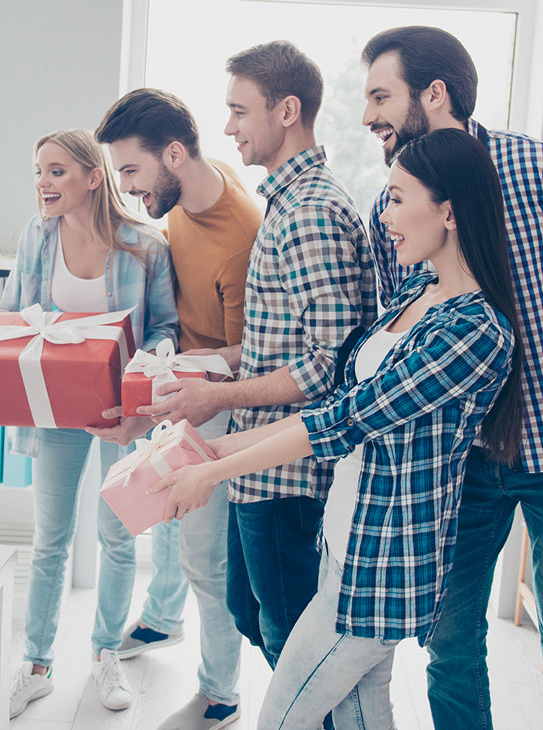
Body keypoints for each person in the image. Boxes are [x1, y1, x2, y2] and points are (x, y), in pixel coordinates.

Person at [153, 127, 522, 729]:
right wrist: (214, 446)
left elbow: (345, 420)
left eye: (399, 198)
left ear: (449, 211)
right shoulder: (417, 289)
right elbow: (342, 402)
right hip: (343, 539)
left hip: (382, 568)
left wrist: (215, 469)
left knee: (280, 717)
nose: (386, 214)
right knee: (361, 716)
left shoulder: (475, 331)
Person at [137, 41, 376, 675]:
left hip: (288, 477)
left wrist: (216, 397)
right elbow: (277, 343)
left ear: (287, 111)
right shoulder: (284, 204)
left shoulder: (311, 214)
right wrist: (196, 378)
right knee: (250, 613)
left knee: (291, 646)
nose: (228, 128)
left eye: (240, 111)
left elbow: (328, 366)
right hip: (253, 465)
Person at [360, 26, 543, 729]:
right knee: (451, 644)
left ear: (433, 94)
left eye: (382, 95)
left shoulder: (529, 167)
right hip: (463, 464)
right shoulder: (389, 210)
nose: (369, 115)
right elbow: (397, 329)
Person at [91, 88, 261, 730]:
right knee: (148, 514)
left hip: (215, 404)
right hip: (177, 390)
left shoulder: (242, 233)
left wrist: (176, 402)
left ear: (173, 154)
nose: (129, 188)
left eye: (131, 172)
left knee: (203, 557)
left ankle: (221, 694)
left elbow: (250, 354)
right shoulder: (184, 199)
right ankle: (162, 621)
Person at [1, 129, 179, 718]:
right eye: (38, 171)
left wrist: (136, 382)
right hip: (54, 407)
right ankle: (36, 665)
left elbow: (165, 330)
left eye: (56, 171)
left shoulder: (145, 246)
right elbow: (10, 314)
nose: (43, 183)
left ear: (92, 177)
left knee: (117, 536)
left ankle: (106, 653)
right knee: (49, 540)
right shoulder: (36, 235)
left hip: (118, 412)